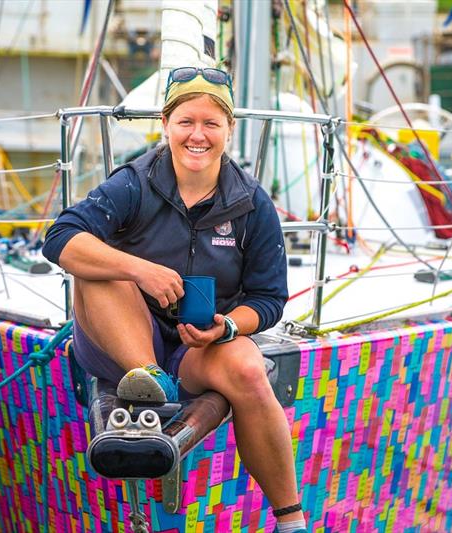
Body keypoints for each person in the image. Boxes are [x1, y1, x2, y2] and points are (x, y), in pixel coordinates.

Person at [42, 66, 306, 533]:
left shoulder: (251, 203)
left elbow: (268, 298)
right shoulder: (133, 183)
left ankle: (291, 521)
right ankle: (146, 376)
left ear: (229, 129)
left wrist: (224, 327)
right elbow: (60, 238)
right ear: (165, 125)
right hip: (120, 339)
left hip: (196, 347)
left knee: (248, 369)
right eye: (186, 122)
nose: (197, 135)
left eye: (211, 123)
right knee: (99, 268)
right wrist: (138, 269)